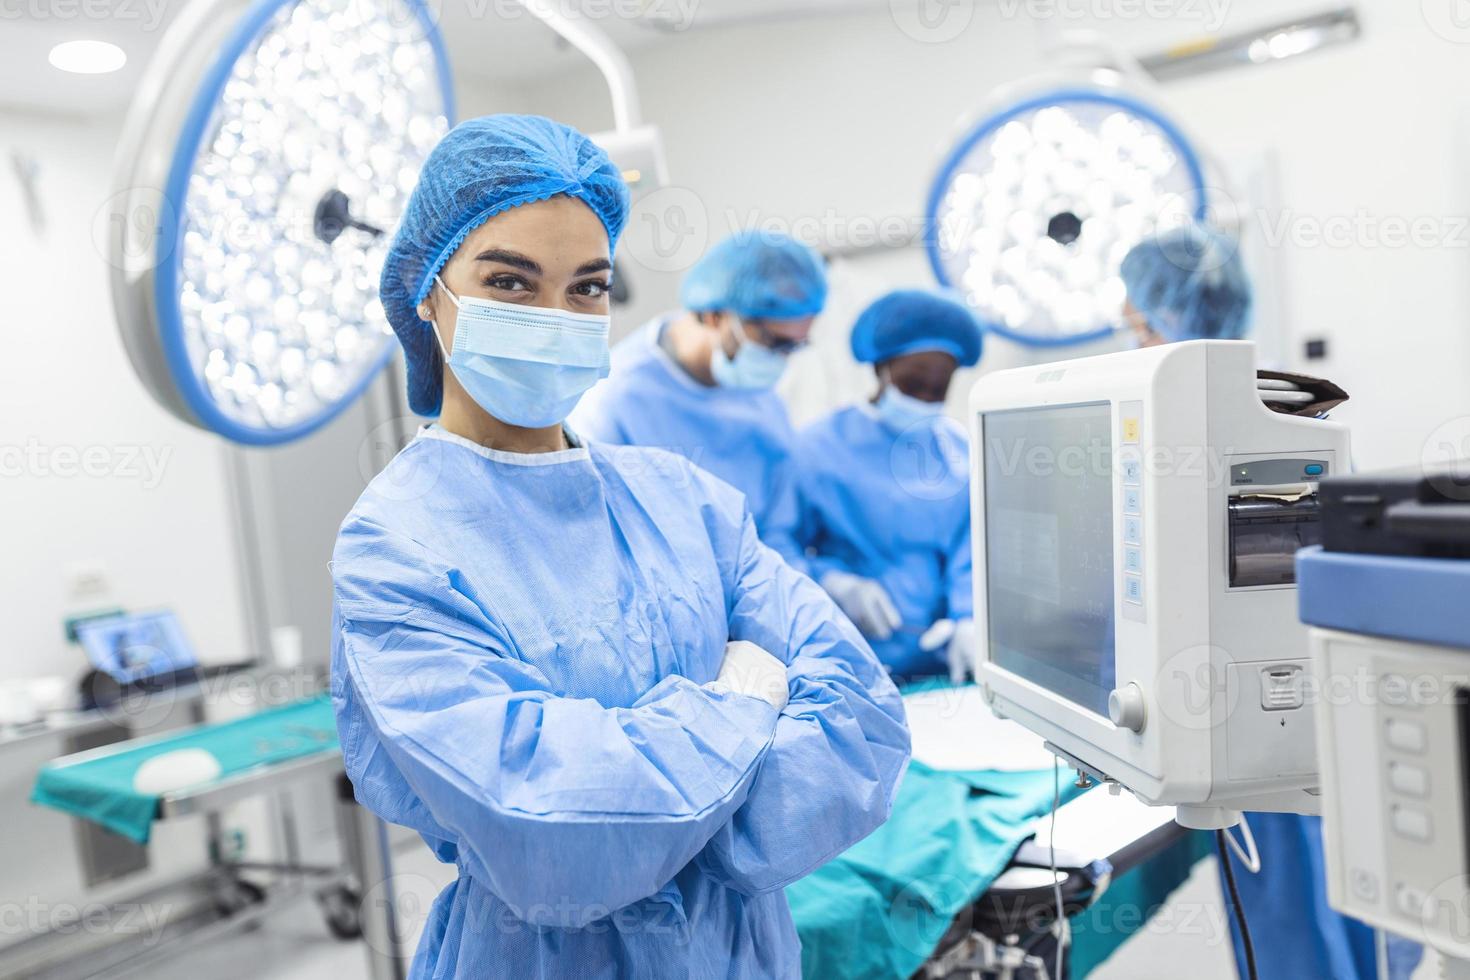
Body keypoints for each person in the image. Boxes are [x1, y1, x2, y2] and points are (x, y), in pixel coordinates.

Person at [331, 114, 910, 979]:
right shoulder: (396, 546)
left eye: (588, 287)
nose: (556, 315)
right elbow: (548, 834)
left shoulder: (686, 500)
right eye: (510, 282)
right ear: (427, 290)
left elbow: (861, 720)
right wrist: (745, 702)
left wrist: (651, 819)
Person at [1120, 221, 1421, 980]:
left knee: (1290, 895)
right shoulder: (1289, 400)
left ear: (1156, 317)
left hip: (1257, 697)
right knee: (1334, 877)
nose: (1130, 327)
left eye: (1134, 315)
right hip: (1313, 686)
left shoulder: (1224, 417)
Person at [776, 289, 983, 681]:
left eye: (938, 389)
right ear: (880, 369)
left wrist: (970, 617)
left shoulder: (957, 450)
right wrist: (834, 584)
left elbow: (971, 549)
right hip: (849, 657)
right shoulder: (818, 447)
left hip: (943, 660)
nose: (925, 398)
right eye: (912, 383)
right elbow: (778, 545)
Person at [570, 230, 827, 543]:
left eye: (795, 347)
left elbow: (779, 531)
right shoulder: (615, 400)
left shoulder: (762, 398)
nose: (781, 361)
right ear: (715, 316)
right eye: (774, 343)